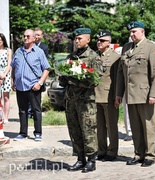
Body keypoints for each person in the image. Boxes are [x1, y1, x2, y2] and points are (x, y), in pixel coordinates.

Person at [115, 21, 155, 167]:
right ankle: (138, 153)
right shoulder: (126, 48)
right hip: (130, 95)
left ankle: (149, 155)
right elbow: (120, 74)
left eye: (134, 31)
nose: (132, 34)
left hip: (145, 94)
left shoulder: (152, 47)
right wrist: (119, 93)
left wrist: (154, 94)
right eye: (130, 32)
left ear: (142, 31)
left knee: (148, 126)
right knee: (135, 127)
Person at [58, 28, 100, 173]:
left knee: (88, 130)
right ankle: (80, 158)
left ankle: (91, 160)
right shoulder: (71, 57)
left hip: (86, 101)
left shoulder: (93, 57)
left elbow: (95, 81)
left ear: (88, 39)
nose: (77, 41)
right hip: (71, 100)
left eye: (80, 38)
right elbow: (63, 80)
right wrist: (63, 75)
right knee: (74, 130)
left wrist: (75, 80)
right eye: (75, 39)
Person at [11, 29, 50, 141]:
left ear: (34, 38)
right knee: (22, 110)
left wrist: (40, 83)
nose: (25, 38)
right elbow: (13, 66)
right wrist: (13, 81)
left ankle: (38, 133)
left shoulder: (39, 52)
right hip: (20, 86)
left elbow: (46, 69)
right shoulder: (18, 51)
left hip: (33, 86)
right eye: (24, 36)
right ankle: (23, 133)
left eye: (28, 36)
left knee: (36, 110)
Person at [95, 30, 119, 161]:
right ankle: (101, 150)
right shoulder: (95, 56)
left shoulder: (115, 57)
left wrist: (117, 96)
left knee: (111, 126)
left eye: (102, 40)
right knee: (99, 126)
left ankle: (112, 151)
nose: (99, 42)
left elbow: (117, 79)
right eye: (98, 40)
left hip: (109, 96)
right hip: (96, 96)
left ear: (109, 43)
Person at [26, 28, 49, 119]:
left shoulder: (44, 47)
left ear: (42, 36)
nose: (37, 36)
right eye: (36, 35)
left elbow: (45, 64)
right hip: (29, 76)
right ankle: (29, 113)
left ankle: (35, 113)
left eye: (39, 35)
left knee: (37, 97)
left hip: (39, 75)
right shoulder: (29, 46)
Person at [0, 33, 12, 123]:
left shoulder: (8, 50)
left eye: (0, 40)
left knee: (6, 97)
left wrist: (4, 74)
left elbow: (9, 64)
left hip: (6, 74)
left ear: (3, 41)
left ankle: (6, 117)